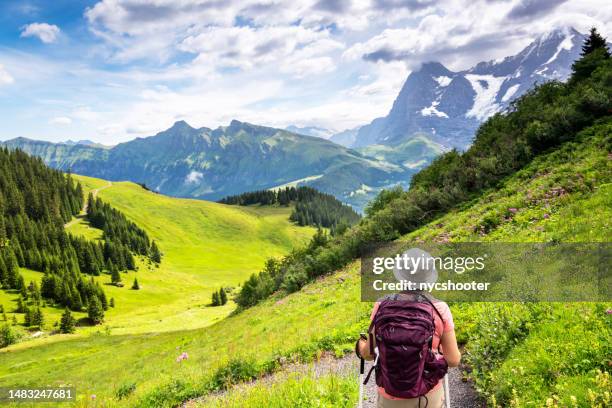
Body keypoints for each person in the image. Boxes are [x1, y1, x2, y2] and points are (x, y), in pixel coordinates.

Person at [357, 248, 461, 408]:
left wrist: (360, 345)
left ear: (400, 276)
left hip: (390, 399)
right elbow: (453, 360)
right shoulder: (439, 308)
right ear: (428, 278)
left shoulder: (381, 305)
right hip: (427, 397)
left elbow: (369, 354)